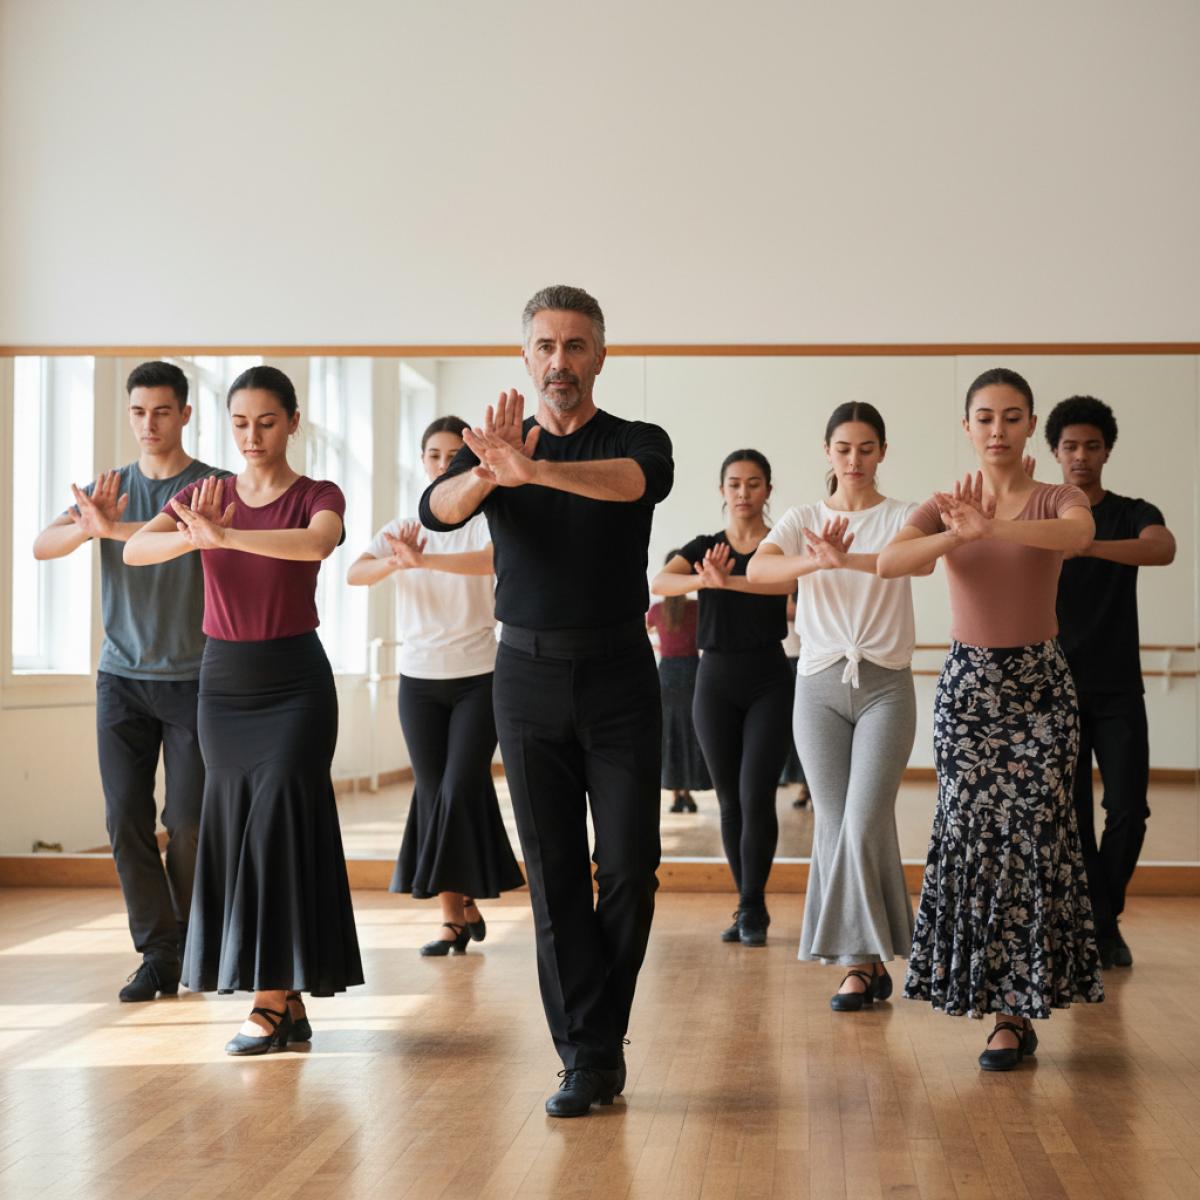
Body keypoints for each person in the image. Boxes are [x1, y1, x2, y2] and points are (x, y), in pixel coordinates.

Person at [420, 285, 673, 1117]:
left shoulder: (636, 439)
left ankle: (595, 1035)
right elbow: (438, 510)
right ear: (525, 357)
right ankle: (588, 1057)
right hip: (525, 678)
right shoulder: (491, 446)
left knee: (630, 866)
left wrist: (535, 471)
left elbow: (636, 485)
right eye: (544, 346)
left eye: (574, 345)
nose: (558, 361)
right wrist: (492, 473)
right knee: (555, 872)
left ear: (599, 355)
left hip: (620, 677)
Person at [125, 365, 363, 1055]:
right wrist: (192, 536)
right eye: (239, 423)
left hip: (295, 683)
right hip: (223, 683)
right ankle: (285, 1000)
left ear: (292, 420)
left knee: (279, 828)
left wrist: (223, 538)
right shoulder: (207, 495)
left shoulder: (317, 493)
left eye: (265, 421)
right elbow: (139, 549)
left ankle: (266, 1001)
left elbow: (317, 543)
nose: (252, 436)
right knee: (231, 832)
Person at [878, 366, 1103, 1071]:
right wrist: (955, 534)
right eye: (985, 417)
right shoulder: (945, 503)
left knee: (1034, 839)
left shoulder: (1056, 495)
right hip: (970, 691)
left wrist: (995, 525)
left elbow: (1078, 534)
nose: (998, 429)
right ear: (968, 427)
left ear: (1030, 425)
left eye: (1012, 417)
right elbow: (891, 563)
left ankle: (1014, 1012)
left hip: (1040, 691)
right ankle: (988, 999)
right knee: (971, 840)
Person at [32, 361, 222, 1002]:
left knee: (190, 821)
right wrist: (88, 525)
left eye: (162, 411)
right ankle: (159, 952)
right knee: (123, 818)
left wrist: (109, 529)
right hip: (121, 677)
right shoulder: (108, 488)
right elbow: (40, 544)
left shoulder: (212, 488)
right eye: (139, 411)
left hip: (194, 678)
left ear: (186, 415)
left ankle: (192, 938)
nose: (149, 424)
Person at [749, 402, 924, 1010]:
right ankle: (864, 963)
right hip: (818, 685)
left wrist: (842, 558)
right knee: (832, 821)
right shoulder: (802, 518)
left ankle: (861, 961)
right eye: (844, 448)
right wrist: (812, 560)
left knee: (864, 817)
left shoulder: (903, 515)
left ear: (882, 452)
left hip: (885, 685)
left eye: (867, 448)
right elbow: (759, 569)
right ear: (828, 451)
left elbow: (915, 560)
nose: (855, 459)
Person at [347, 415, 523, 956]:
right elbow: (356, 572)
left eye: (454, 455)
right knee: (435, 792)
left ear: (469, 461)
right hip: (417, 682)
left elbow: (493, 564)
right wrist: (393, 563)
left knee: (457, 786)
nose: (443, 463)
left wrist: (424, 559)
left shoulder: (487, 522)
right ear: (421, 461)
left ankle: (456, 908)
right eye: (433, 455)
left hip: (479, 677)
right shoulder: (404, 525)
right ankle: (456, 911)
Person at [1047, 395, 1176, 969]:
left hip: (1120, 685)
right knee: (1071, 816)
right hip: (1054, 689)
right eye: (1071, 446)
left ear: (1106, 451)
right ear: (1054, 452)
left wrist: (1087, 543)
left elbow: (1162, 548)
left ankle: (1102, 916)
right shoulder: (1042, 514)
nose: (1081, 456)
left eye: (1091, 446)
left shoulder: (1130, 510)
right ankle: (1098, 928)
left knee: (1129, 809)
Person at [652, 451, 794, 946]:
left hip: (769, 680)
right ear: (721, 490)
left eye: (754, 483)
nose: (743, 492)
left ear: (767, 490)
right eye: (734, 483)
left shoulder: (779, 547)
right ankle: (746, 903)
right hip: (712, 680)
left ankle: (752, 906)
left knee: (758, 795)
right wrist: (702, 580)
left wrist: (727, 581)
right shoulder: (704, 547)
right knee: (730, 801)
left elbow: (792, 584)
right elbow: (660, 581)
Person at [646, 552, 711, 814]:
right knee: (691, 731)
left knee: (670, 733)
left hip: (668, 674)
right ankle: (688, 792)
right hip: (694, 673)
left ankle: (676, 795)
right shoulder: (697, 607)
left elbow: (640, 634)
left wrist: (662, 645)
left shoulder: (657, 611)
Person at [779, 594, 811, 808]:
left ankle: (808, 788)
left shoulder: (804, 588)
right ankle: (800, 785)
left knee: (808, 727)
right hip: (781, 659)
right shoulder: (776, 584)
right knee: (788, 727)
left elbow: (795, 612)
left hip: (806, 659)